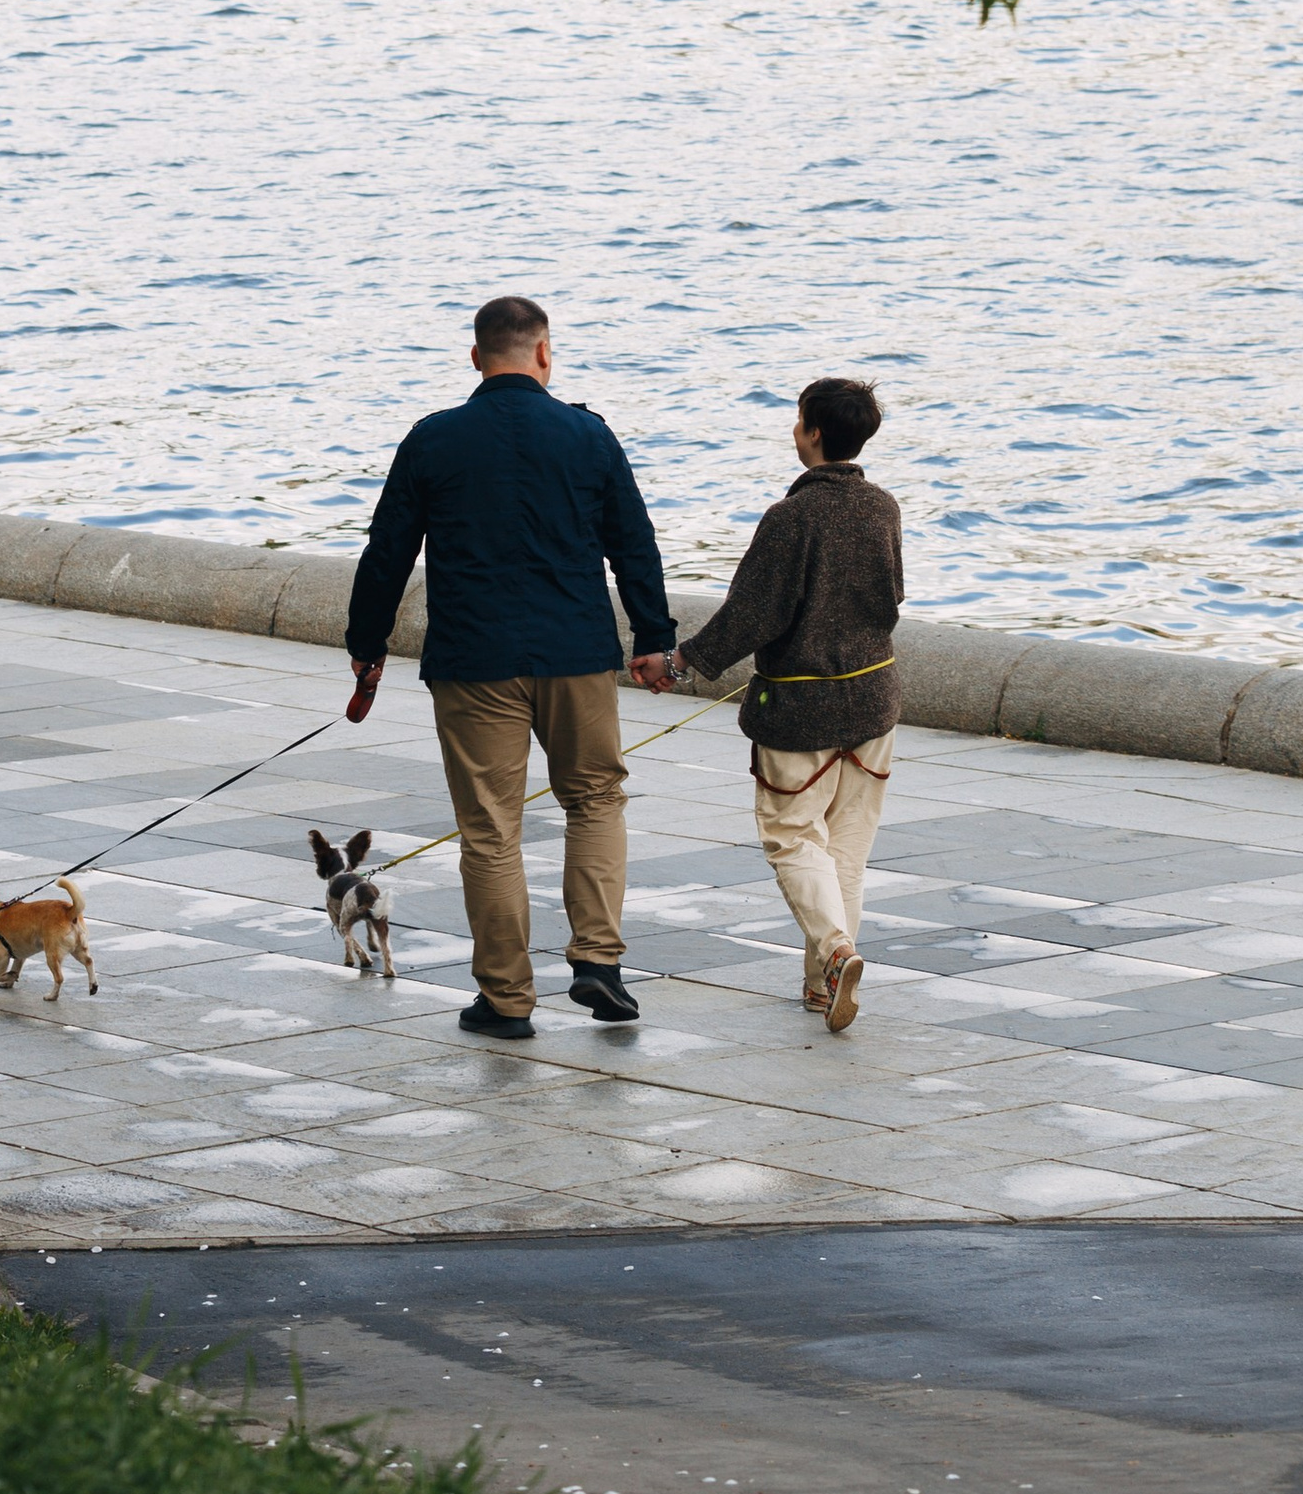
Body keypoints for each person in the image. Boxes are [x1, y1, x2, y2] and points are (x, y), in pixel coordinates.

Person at [347, 296, 676, 1043]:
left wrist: (366, 644)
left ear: (475, 358)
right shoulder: (589, 435)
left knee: (491, 830)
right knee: (594, 800)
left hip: (474, 660)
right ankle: (599, 962)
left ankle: (506, 999)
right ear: (544, 354)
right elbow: (635, 543)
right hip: (576, 656)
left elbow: (387, 552)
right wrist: (654, 636)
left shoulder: (433, 439)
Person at [669, 375, 901, 1038]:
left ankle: (834, 956)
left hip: (801, 709)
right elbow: (892, 598)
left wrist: (687, 661)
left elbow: (751, 614)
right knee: (846, 849)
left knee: (793, 836)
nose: (794, 430)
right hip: (876, 701)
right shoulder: (884, 507)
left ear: (814, 432)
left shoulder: (791, 517)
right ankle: (818, 984)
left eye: (798, 420)